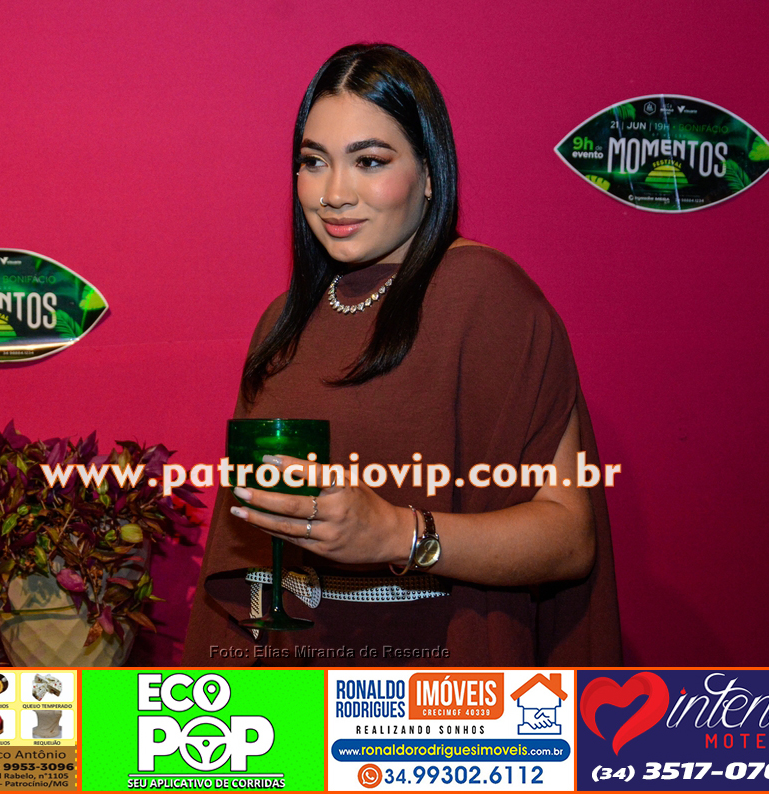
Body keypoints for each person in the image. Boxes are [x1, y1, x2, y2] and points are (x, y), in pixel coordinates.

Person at [183, 43, 621, 666]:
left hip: (442, 696)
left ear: (431, 172)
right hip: (297, 692)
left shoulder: (484, 294)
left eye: (369, 161)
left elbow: (568, 536)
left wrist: (395, 533)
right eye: (314, 162)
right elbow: (248, 557)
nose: (334, 193)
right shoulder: (281, 325)